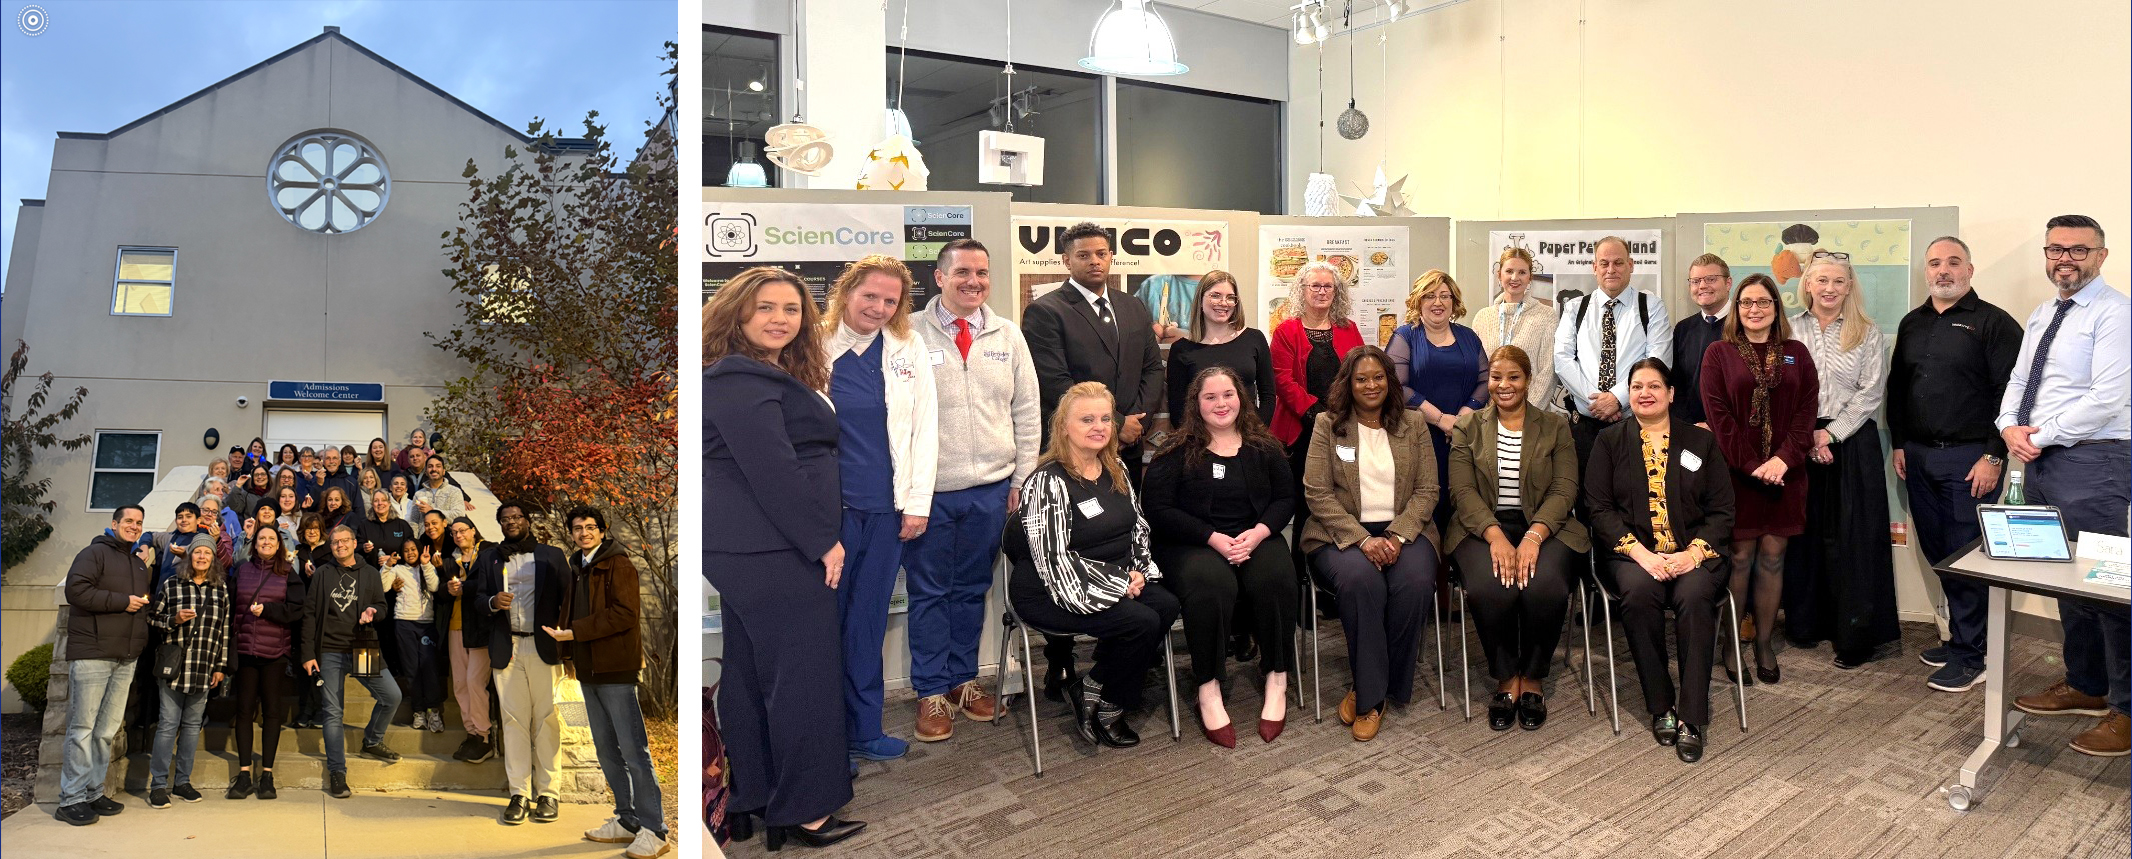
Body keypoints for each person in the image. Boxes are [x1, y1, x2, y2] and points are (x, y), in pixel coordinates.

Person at [702, 266, 865, 847]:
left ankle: (754, 796)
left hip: (752, 547)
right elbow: (774, 473)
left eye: (791, 309)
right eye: (766, 307)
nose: (780, 319)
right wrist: (822, 540)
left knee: (750, 673)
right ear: (738, 314)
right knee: (805, 675)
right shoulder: (738, 378)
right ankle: (807, 810)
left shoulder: (749, 375)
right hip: (772, 546)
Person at [2002, 214, 2131, 757]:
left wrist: (2039, 435)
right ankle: (2087, 685)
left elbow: (2107, 399)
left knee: (2107, 588)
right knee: (2066, 582)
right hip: (2046, 460)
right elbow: (2019, 380)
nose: (2065, 259)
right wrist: (2008, 426)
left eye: (2078, 250)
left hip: (2095, 463)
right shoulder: (2043, 312)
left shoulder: (2115, 314)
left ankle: (2126, 711)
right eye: (2056, 249)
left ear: (2100, 256)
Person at [1021, 222, 1166, 698]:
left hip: (1125, 447)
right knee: (1073, 538)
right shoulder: (1046, 312)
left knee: (1120, 533)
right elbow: (1054, 380)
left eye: (1102, 253)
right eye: (1084, 255)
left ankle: (1118, 656)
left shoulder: (1132, 305)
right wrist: (1115, 419)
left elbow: (1151, 365)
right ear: (1067, 260)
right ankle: (1059, 659)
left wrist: (1135, 422)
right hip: (1074, 447)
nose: (1095, 262)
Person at [905, 239, 1036, 743]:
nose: (973, 281)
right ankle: (930, 689)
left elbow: (1026, 412)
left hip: (992, 489)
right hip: (931, 492)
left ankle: (963, 680)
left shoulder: (1008, 335)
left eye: (981, 272)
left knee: (972, 589)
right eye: (962, 272)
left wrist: (1021, 480)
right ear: (939, 277)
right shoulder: (909, 333)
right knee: (929, 592)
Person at [1007, 381, 1181, 748]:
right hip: (1050, 589)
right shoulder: (1046, 481)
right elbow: (1055, 561)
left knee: (1165, 603)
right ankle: (1112, 706)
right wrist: (1122, 582)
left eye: (1105, 418)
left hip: (1113, 577)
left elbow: (1137, 528)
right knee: (1141, 622)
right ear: (1063, 427)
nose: (1099, 426)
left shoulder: (1114, 465)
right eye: (1087, 419)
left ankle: (1095, 683)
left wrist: (1139, 572)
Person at [1583, 358, 1735, 764]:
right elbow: (1598, 509)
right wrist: (1641, 554)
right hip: (1633, 555)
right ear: (1628, 394)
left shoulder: (1699, 442)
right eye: (1636, 386)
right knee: (1637, 594)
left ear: (1670, 394)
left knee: (1696, 597)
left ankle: (1692, 715)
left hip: (1694, 553)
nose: (1645, 393)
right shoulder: (1610, 442)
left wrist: (1692, 555)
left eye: (1654, 386)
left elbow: (1722, 510)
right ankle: (1660, 703)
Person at [1888, 236, 2022, 693]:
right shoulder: (1913, 323)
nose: (1943, 271)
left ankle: (1974, 655)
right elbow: (1899, 388)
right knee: (1938, 551)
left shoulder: (1994, 324)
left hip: (1970, 458)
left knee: (1967, 554)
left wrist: (1993, 455)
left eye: (1953, 262)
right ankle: (1962, 639)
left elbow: (2013, 395)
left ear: (1969, 268)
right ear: (1926, 272)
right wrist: (1901, 442)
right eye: (1934, 264)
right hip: (1920, 456)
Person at [823, 254, 940, 763]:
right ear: (847, 291)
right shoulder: (811, 347)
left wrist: (917, 505)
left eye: (890, 300)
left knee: (866, 624)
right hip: (830, 515)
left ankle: (863, 728)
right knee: (823, 626)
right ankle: (825, 739)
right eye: (869, 295)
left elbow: (925, 432)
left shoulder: (907, 347)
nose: (878, 306)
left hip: (888, 513)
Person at [1144, 366, 1296, 746]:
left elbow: (1285, 499)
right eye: (1209, 397)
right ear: (1196, 404)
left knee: (1276, 578)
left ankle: (1277, 677)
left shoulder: (1265, 446)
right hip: (1193, 543)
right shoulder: (1175, 451)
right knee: (1211, 587)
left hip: (1255, 537)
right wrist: (1212, 537)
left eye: (1227, 394)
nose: (1220, 403)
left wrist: (1259, 533)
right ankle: (1208, 687)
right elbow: (1158, 509)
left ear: (1241, 398)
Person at [1301, 347, 1441, 743]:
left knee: (1412, 584)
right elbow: (1317, 493)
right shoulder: (1328, 425)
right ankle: (1372, 699)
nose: (1370, 385)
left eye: (1378, 377)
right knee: (1363, 582)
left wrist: (1397, 535)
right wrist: (1363, 540)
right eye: (1361, 378)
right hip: (1339, 533)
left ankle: (1369, 686)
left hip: (1406, 530)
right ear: (1347, 383)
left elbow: (1428, 489)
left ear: (1390, 381)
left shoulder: (1413, 423)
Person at [1445, 345, 1587, 731]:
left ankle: (1534, 677)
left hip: (1545, 524)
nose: (1503, 385)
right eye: (1496, 377)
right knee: (1493, 587)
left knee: (1545, 587)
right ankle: (1507, 676)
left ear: (1528, 381)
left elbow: (1565, 488)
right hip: (1481, 525)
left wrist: (1534, 535)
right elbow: (1462, 492)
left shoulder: (1555, 425)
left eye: (1513, 377)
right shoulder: (1467, 426)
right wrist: (1495, 536)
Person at [1699, 274, 1818, 684]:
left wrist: (1783, 460)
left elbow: (1806, 414)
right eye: (1746, 302)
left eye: (1763, 302)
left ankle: (1764, 641)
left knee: (1773, 558)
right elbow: (1718, 417)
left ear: (1776, 308)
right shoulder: (1718, 353)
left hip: (1786, 475)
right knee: (1739, 558)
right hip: (1737, 475)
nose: (1755, 309)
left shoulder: (1796, 353)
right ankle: (1732, 644)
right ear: (1736, 309)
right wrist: (1752, 466)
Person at [1785, 254, 1899, 669]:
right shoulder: (1789, 329)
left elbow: (1871, 393)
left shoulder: (1867, 333)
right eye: (1821, 281)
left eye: (1838, 281)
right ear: (1808, 285)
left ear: (1849, 286)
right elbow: (1782, 387)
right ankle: (1806, 624)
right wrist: (1809, 436)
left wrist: (1830, 434)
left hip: (1851, 441)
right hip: (1799, 438)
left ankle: (1856, 635)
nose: (1830, 289)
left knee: (1855, 538)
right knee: (1805, 534)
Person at [553, 507, 669, 859]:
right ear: (571, 533)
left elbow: (625, 614)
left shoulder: (619, 564)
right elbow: (573, 612)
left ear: (603, 531)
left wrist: (576, 632)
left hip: (616, 670)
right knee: (606, 750)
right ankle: (627, 820)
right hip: (589, 670)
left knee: (634, 752)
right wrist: (569, 654)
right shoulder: (578, 566)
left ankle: (655, 830)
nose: (584, 532)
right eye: (578, 528)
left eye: (591, 527)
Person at [472, 501, 571, 824]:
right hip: (507, 646)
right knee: (513, 721)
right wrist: (491, 602)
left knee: (546, 720)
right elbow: (476, 598)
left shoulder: (551, 555)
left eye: (516, 517)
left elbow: (568, 600)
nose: (511, 522)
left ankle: (548, 793)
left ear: (528, 521)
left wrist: (569, 650)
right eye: (505, 519)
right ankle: (519, 793)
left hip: (543, 647)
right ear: (499, 524)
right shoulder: (490, 557)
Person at [55, 505, 155, 826]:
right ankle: (70, 799)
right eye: (128, 521)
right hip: (93, 652)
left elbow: (138, 609)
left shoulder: (139, 565)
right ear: (114, 523)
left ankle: (93, 792)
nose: (134, 526)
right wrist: (123, 601)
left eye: (139, 523)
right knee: (82, 730)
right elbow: (77, 591)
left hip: (125, 657)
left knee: (105, 732)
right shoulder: (93, 553)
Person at [1270, 261, 1366, 595]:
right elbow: (1281, 378)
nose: (1322, 291)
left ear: (1337, 292)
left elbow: (1360, 372)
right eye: (1315, 286)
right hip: (1301, 431)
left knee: (1342, 504)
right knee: (1304, 507)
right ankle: (1299, 590)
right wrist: (1314, 412)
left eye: (1328, 286)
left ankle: (1332, 587)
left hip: (1344, 427)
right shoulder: (1286, 331)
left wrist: (1339, 415)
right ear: (1302, 290)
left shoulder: (1348, 328)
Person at [1555, 236, 1673, 465]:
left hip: (1636, 423)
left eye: (1618, 263)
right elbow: (1563, 360)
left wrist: (1617, 399)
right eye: (1604, 263)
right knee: (1587, 498)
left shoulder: (1651, 307)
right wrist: (1599, 403)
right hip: (1585, 427)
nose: (1611, 269)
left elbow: (1658, 362)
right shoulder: (1575, 308)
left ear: (1630, 266)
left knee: (1637, 497)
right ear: (1594, 267)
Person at [301, 524, 400, 799]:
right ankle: (337, 772)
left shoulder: (369, 573)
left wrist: (373, 611)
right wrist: (308, 653)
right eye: (335, 542)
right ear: (330, 546)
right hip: (329, 649)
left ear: (354, 543)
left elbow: (382, 606)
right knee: (333, 713)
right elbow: (309, 615)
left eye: (345, 541)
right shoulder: (322, 574)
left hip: (362, 646)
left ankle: (372, 740)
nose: (340, 545)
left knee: (392, 696)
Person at [1390, 269, 1488, 528]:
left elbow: (1485, 380)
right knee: (1425, 506)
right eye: (1430, 296)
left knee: (1463, 503)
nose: (1438, 302)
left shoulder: (1469, 337)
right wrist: (1442, 419)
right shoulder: (1405, 336)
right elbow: (1396, 386)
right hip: (1419, 436)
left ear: (1454, 302)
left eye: (1445, 296)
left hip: (1464, 437)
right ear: (1418, 301)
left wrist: (1462, 418)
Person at [144, 541, 231, 809]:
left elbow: (224, 630)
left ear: (214, 559)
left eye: (207, 552)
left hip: (204, 667)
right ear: (189, 556)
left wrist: (221, 666)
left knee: (193, 727)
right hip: (175, 667)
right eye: (197, 552)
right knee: (169, 725)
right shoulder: (172, 584)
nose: (202, 556)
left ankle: (182, 782)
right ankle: (158, 785)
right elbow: (152, 618)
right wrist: (175, 620)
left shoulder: (220, 589)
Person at [227, 522, 306, 799]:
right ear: (254, 542)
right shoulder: (242, 570)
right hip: (246, 651)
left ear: (279, 543)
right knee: (244, 711)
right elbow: (232, 608)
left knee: (272, 712)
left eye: (272, 538)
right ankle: (245, 773)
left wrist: (270, 610)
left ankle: (268, 775)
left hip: (275, 653)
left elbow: (297, 610)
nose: (266, 542)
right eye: (262, 538)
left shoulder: (287, 572)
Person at [1165, 270, 1277, 425]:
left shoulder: (1254, 339)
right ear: (1200, 299)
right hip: (1201, 442)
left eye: (1230, 297)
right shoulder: (1182, 349)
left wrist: (1256, 434)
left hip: (1250, 438)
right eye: (1215, 295)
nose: (1224, 303)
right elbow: (1178, 409)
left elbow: (1268, 396)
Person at [1472, 247, 1560, 414]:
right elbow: (1476, 371)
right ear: (1499, 275)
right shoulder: (1482, 317)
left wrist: (1525, 414)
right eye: (1509, 271)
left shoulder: (1547, 316)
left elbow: (1548, 373)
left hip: (1533, 417)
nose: (1515, 278)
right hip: (1487, 416)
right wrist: (1486, 413)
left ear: (1529, 277)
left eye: (1521, 272)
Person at [439, 515, 497, 763]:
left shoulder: (489, 552)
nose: (458, 535)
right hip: (455, 625)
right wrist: (449, 589)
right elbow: (439, 589)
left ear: (474, 531)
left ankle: (484, 735)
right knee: (461, 684)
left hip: (480, 627)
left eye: (462, 530)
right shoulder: (450, 560)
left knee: (475, 681)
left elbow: (489, 583)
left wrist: (465, 586)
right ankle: (471, 732)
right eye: (454, 532)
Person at [383, 537, 444, 732]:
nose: (410, 553)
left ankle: (433, 711)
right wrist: (386, 566)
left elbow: (434, 587)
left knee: (429, 667)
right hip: (404, 623)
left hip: (426, 624)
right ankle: (418, 712)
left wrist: (426, 565)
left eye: (413, 549)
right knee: (411, 668)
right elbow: (383, 586)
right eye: (406, 550)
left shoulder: (428, 567)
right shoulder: (398, 570)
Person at [1672, 254, 1734, 427]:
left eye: (1711, 279)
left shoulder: (1744, 325)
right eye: (1695, 281)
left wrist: (1713, 425)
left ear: (1728, 283)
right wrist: (1688, 425)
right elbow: (1677, 384)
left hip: (1733, 431)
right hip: (1689, 429)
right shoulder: (1683, 329)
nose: (1702, 286)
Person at [355, 488, 416, 570]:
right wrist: (364, 548)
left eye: (383, 500)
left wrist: (393, 559)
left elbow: (411, 549)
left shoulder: (402, 525)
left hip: (399, 571)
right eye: (376, 501)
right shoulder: (364, 526)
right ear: (372, 504)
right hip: (373, 572)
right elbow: (356, 548)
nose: (380, 503)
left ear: (389, 503)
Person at [414, 454, 468, 520]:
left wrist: (432, 511)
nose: (434, 469)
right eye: (430, 466)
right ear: (426, 472)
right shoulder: (419, 494)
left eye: (438, 466)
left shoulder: (454, 491)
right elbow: (414, 521)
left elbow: (459, 515)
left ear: (443, 471)